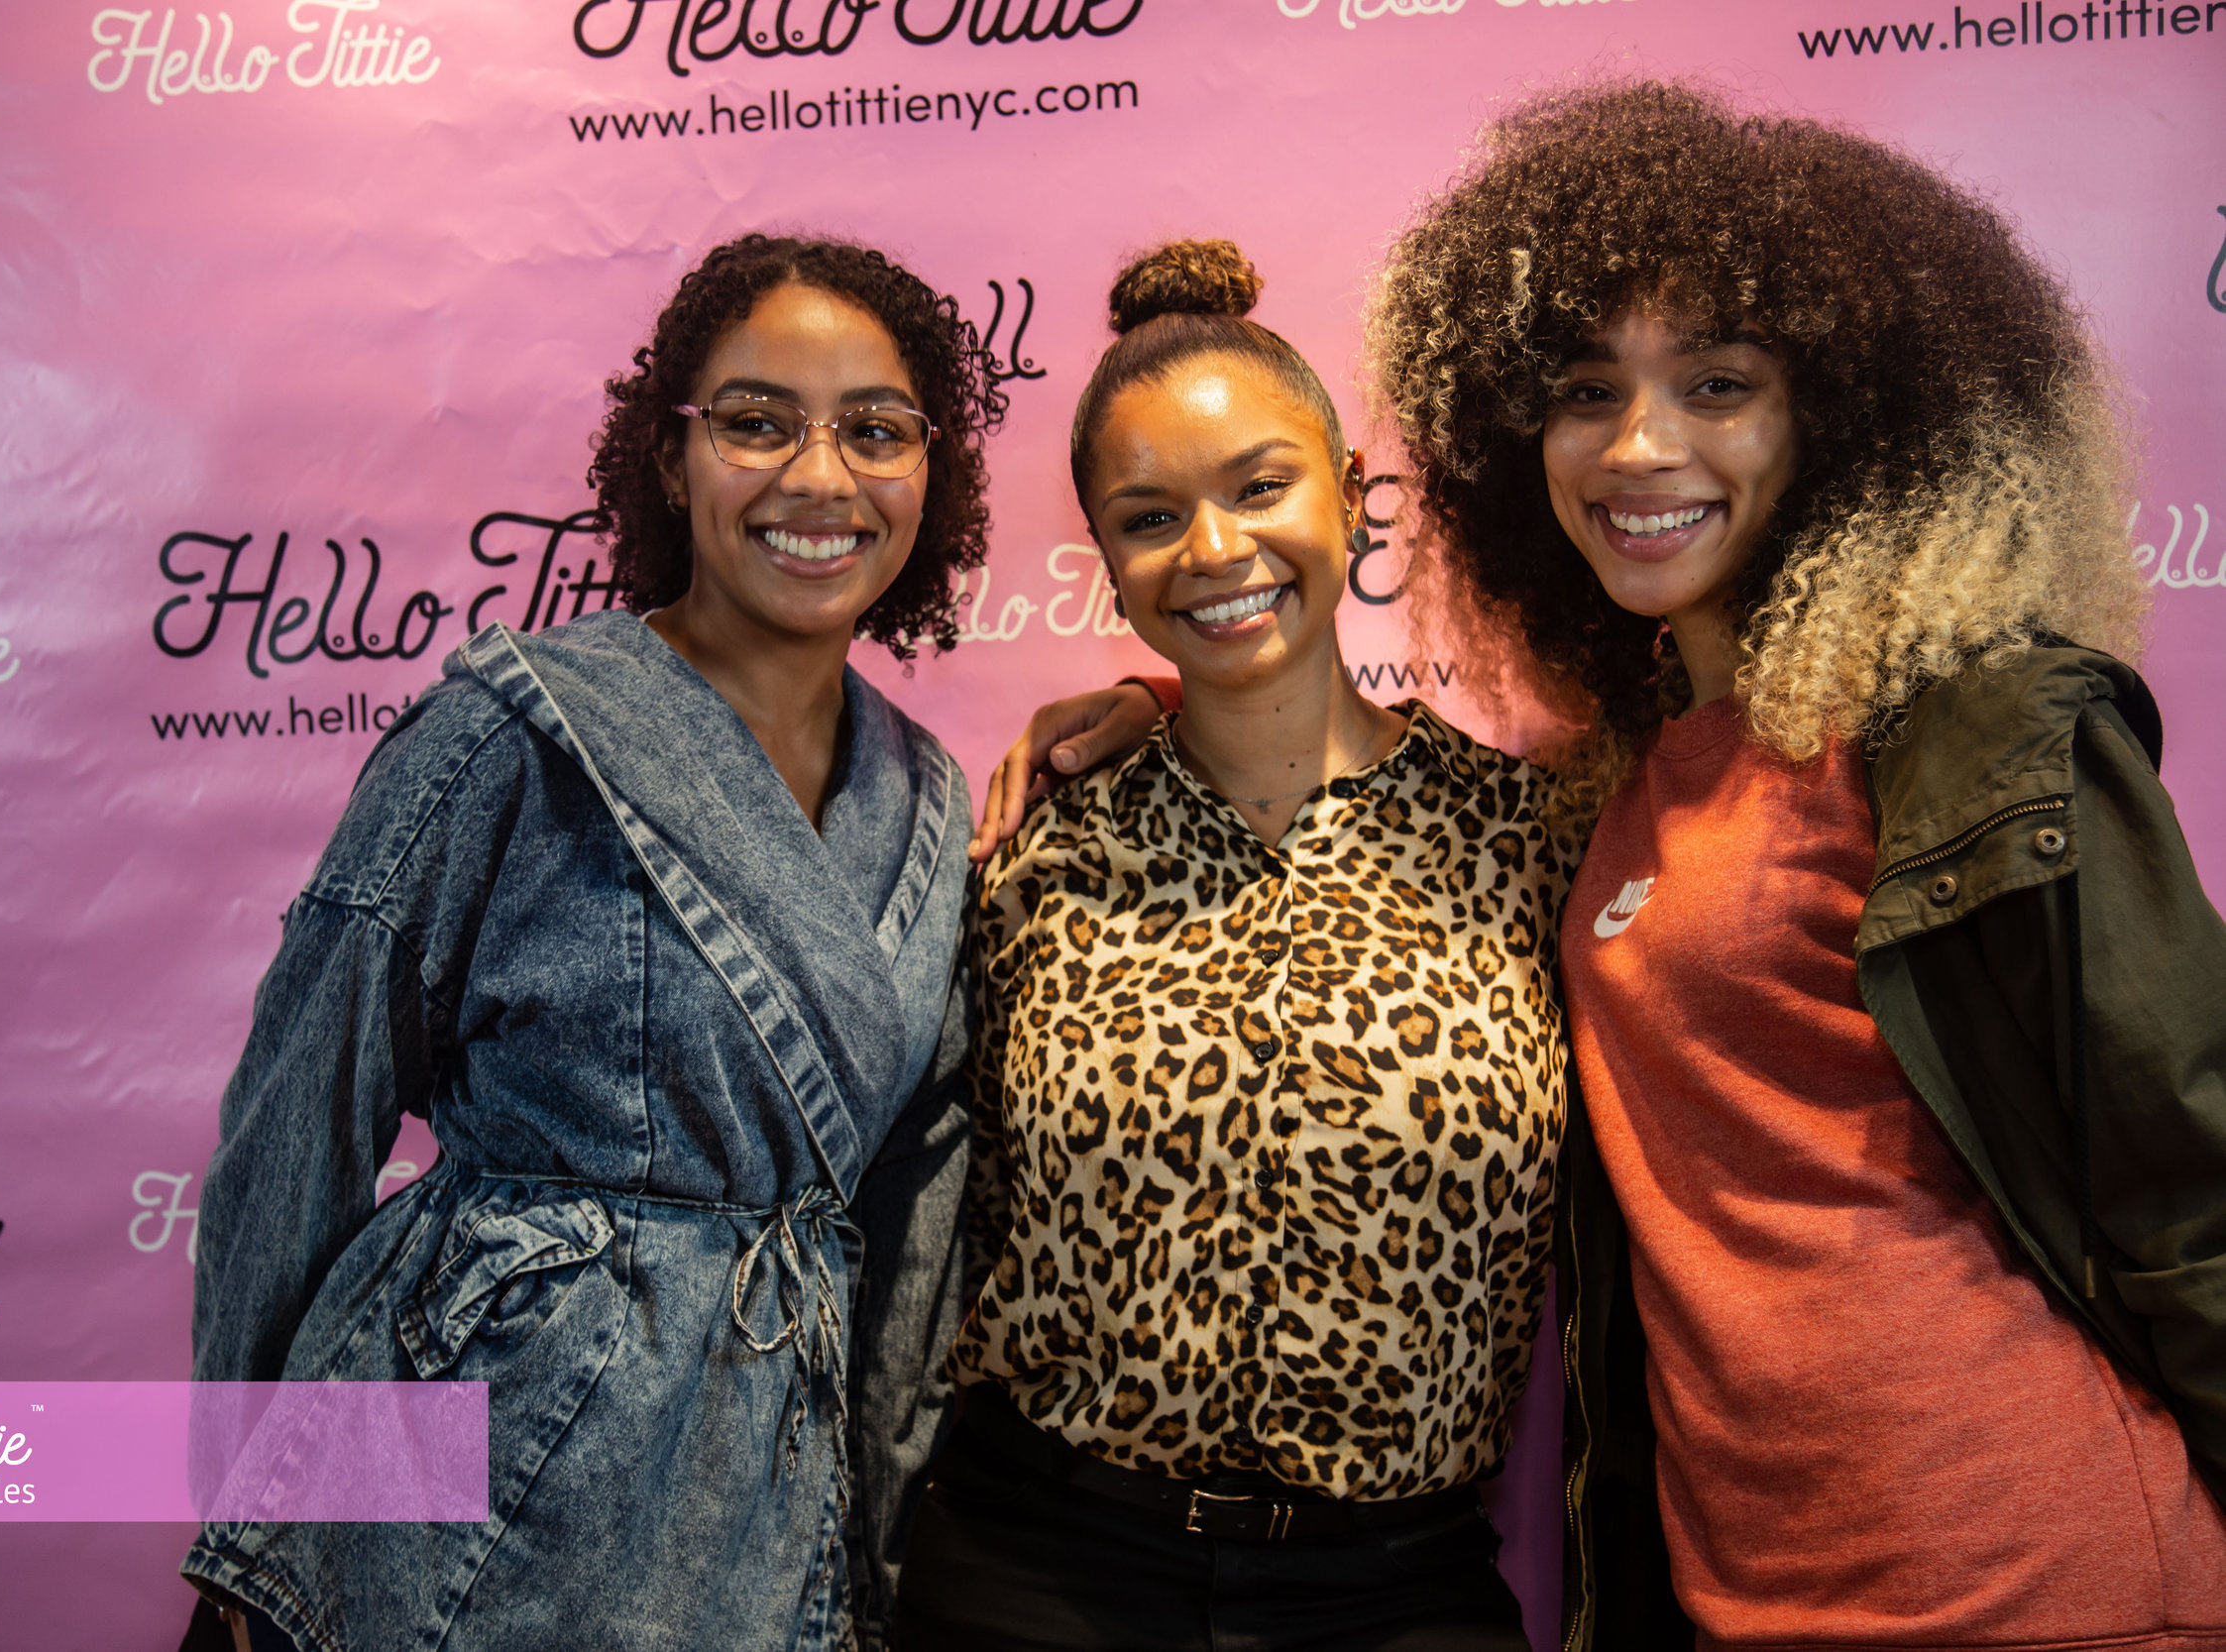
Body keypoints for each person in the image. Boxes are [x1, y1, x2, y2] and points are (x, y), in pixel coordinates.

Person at [983, 84, 2226, 1652]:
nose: (1641, 444)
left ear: (1841, 413)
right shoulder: (1614, 793)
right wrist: (1174, 706)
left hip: (2052, 1596)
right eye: (1586, 391)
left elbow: (2195, 1193)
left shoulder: (1977, 730)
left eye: (1717, 383)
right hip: (1741, 1607)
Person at [178, 233, 1003, 1652]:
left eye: (875, 430)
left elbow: (912, 1221)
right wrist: (247, 1517)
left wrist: (869, 1550)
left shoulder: (927, 796)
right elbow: (297, 1123)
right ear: (672, 461)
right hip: (463, 1488)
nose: (821, 478)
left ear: (930, 473)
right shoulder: (511, 733)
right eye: (758, 422)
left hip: (764, 1523)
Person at [896, 239, 1557, 1652]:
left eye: (1260, 488)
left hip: (1397, 1587)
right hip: (1039, 1570)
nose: (1212, 551)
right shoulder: (1035, 856)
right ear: (1108, 565)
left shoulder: (1531, 845)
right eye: (1151, 518)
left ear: (1353, 497)